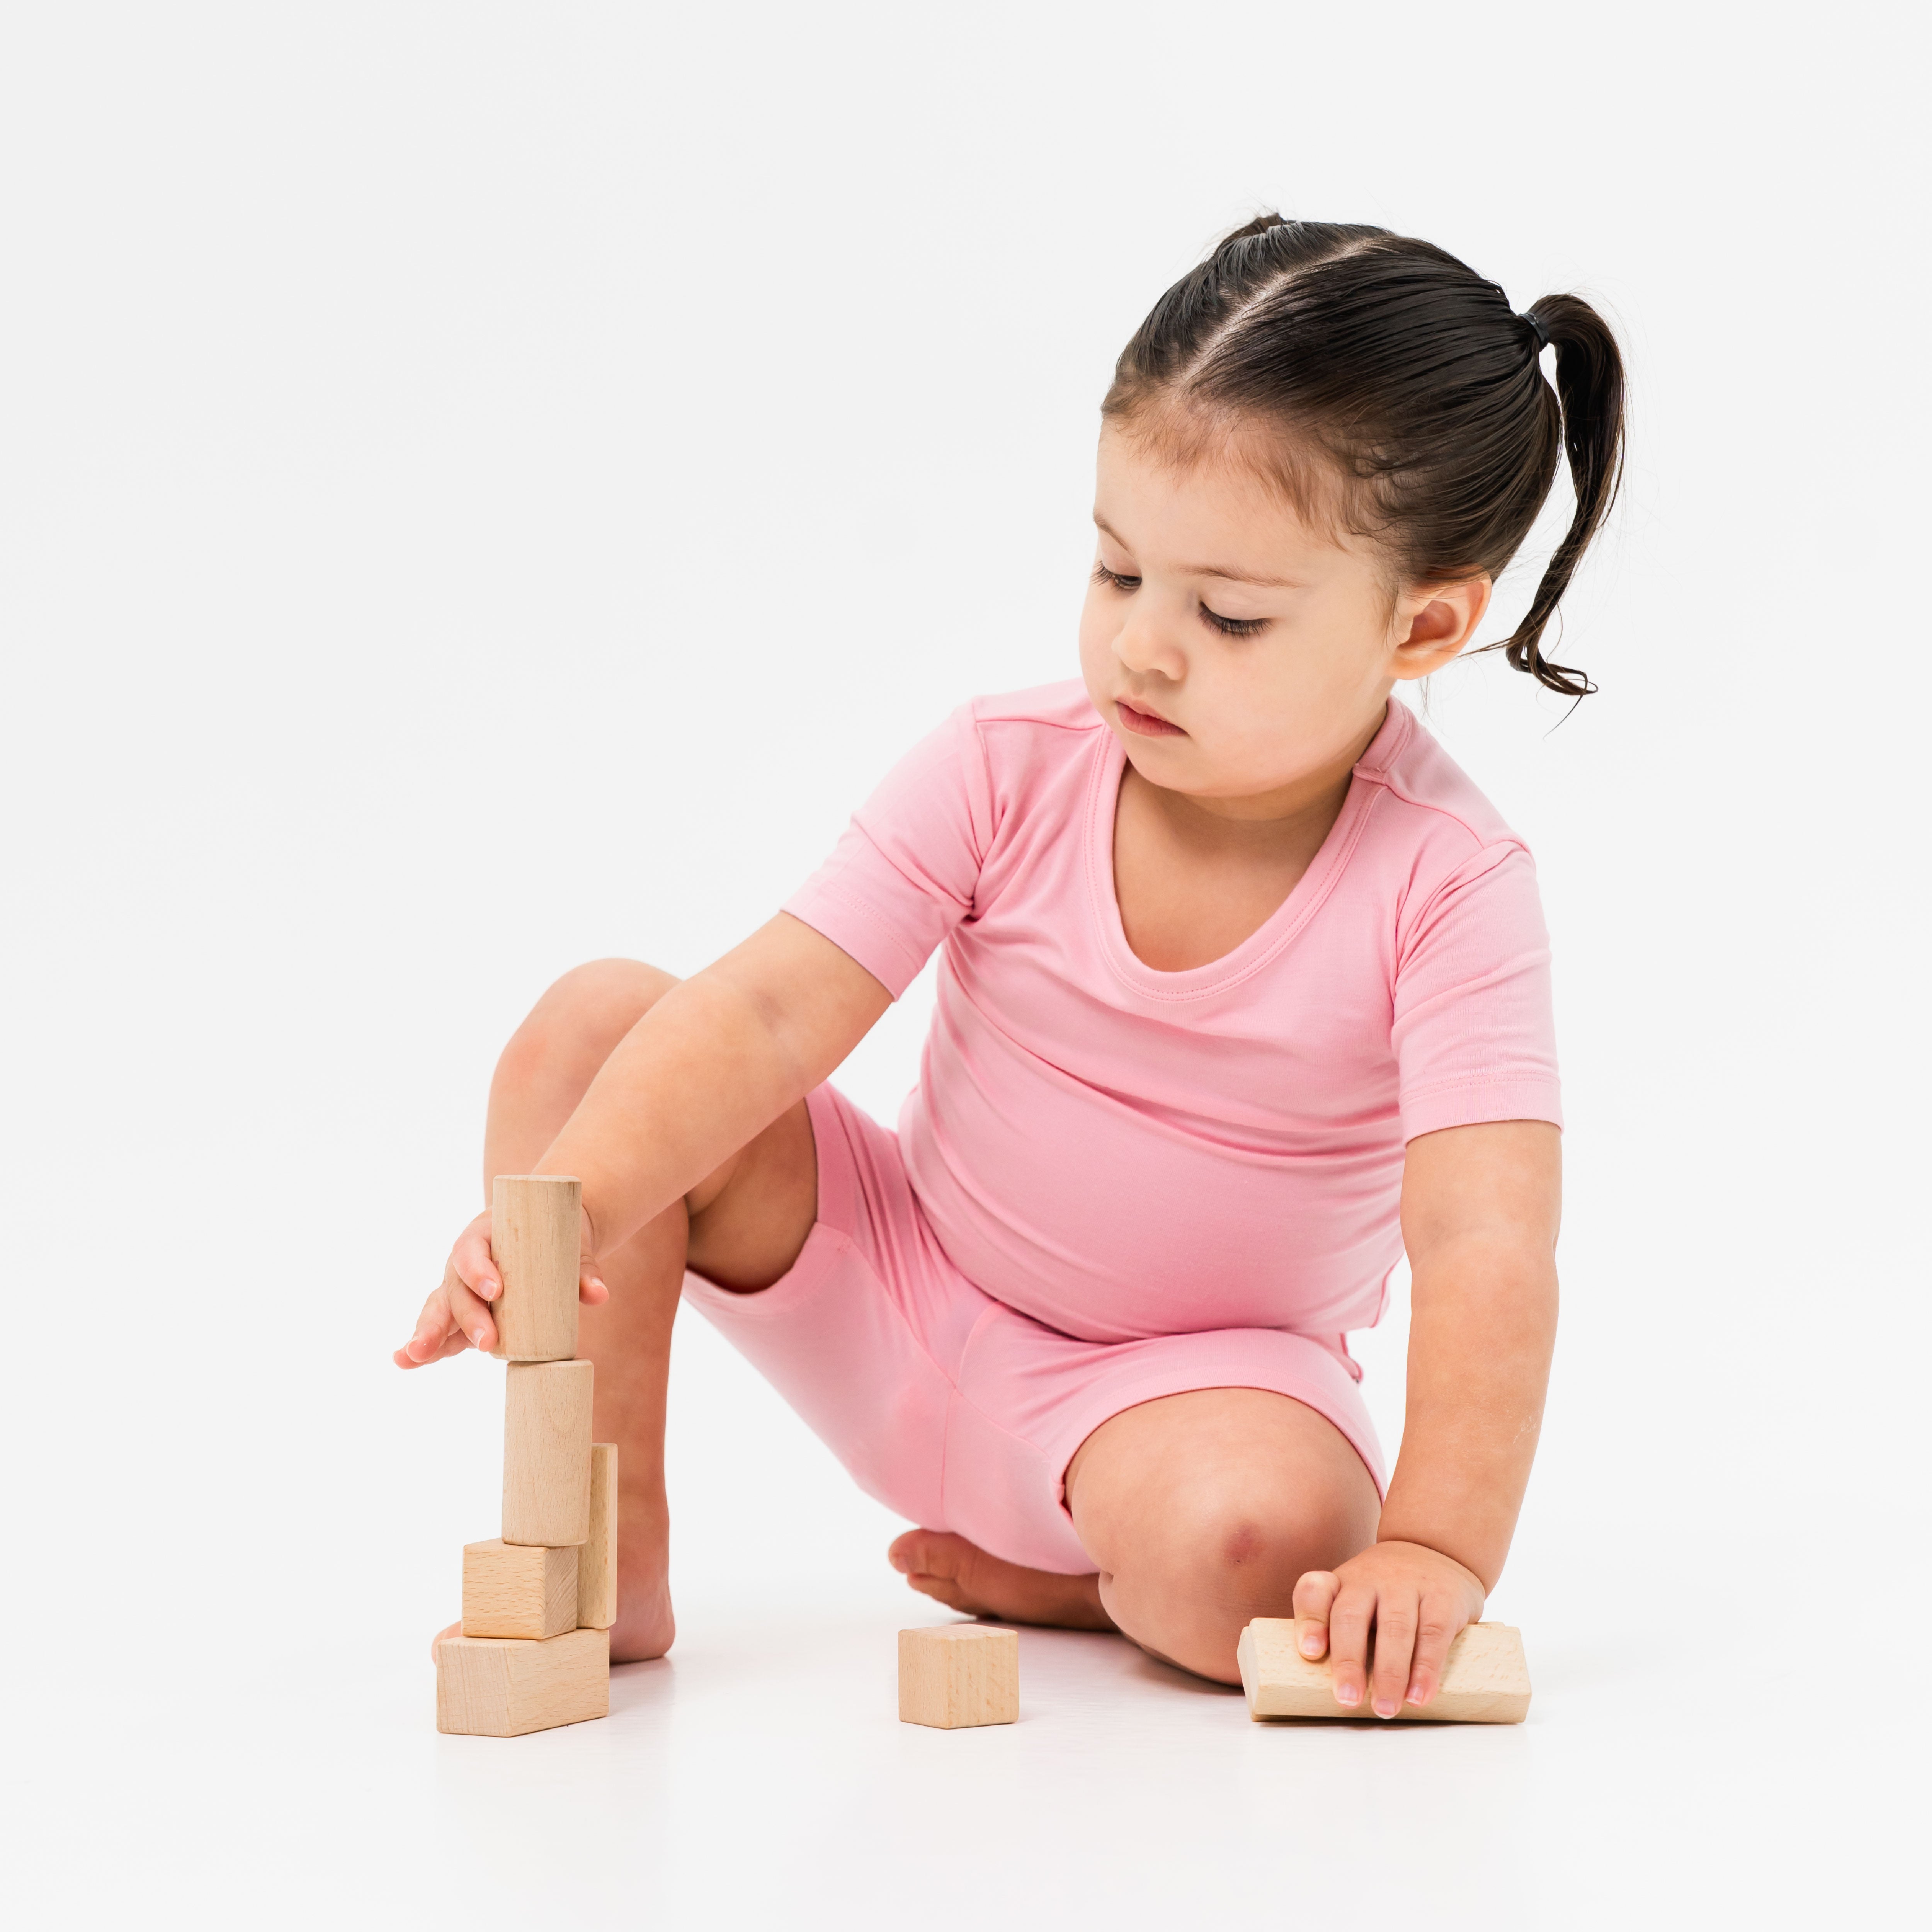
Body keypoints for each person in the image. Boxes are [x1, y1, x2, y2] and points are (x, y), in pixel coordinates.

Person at [396, 214, 1624, 1716]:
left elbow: (1485, 1239)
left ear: (1419, 625)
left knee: (1272, 1539)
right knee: (599, 1030)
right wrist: (563, 1210)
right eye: (1116, 572)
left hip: (1180, 1398)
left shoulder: (1450, 885)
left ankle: (1077, 1569)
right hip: (897, 1283)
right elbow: (772, 1008)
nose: (1143, 650)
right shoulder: (1004, 764)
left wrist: (1434, 1545)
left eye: (1226, 614)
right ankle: (609, 1553)